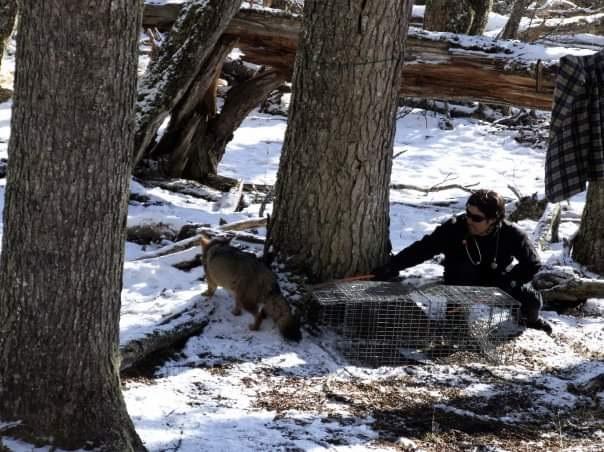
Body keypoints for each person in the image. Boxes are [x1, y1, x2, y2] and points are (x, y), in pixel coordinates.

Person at [372, 189, 552, 335]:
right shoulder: (454, 228)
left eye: (477, 218)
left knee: (532, 302)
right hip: (459, 283)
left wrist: (508, 281)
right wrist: (392, 265)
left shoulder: (511, 234)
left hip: (497, 282)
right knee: (456, 331)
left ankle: (531, 321)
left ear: (493, 219)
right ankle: (455, 321)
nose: (469, 221)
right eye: (468, 214)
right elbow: (423, 249)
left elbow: (532, 263)